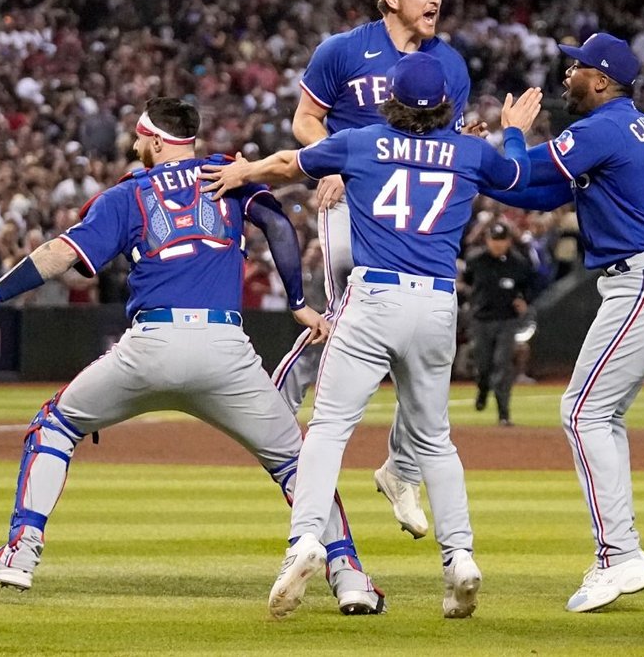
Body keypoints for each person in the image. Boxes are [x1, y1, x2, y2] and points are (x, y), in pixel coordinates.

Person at [0, 98, 385, 616]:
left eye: (137, 138)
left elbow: (61, 255)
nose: (133, 146)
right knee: (297, 463)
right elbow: (282, 228)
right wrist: (297, 303)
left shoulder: (127, 193)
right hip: (226, 349)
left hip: (151, 344)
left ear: (153, 139)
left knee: (54, 427)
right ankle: (349, 575)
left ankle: (21, 552)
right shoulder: (230, 173)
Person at [201, 52, 542, 620]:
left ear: (392, 101)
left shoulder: (362, 141)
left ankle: (307, 540)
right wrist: (513, 133)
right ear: (448, 107)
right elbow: (518, 177)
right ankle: (459, 557)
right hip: (436, 303)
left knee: (330, 427)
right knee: (435, 441)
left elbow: (289, 162)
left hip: (375, 296)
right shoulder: (468, 151)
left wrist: (243, 172)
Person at [488, 32, 644, 613]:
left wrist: (507, 136)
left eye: (576, 66)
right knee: (597, 413)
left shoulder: (603, 127)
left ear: (603, 80)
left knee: (583, 411)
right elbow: (540, 191)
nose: (567, 75)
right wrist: (481, 168)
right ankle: (620, 551)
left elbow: (519, 169)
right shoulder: (622, 124)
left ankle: (619, 555)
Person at [273, 0, 472, 541]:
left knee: (419, 345)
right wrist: (329, 166)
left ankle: (403, 468)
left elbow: (444, 143)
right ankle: (281, 400)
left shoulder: (450, 64)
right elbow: (305, 119)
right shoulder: (343, 50)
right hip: (346, 198)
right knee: (341, 317)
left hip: (409, 218)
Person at [462, 221, 534, 426]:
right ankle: (483, 389)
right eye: (494, 240)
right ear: (487, 240)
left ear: (509, 241)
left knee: (502, 365)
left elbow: (530, 286)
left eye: (502, 240)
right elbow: (467, 281)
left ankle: (504, 414)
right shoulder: (476, 260)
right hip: (481, 319)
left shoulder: (518, 263)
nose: (498, 245)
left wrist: (524, 300)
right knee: (483, 366)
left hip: (506, 320)